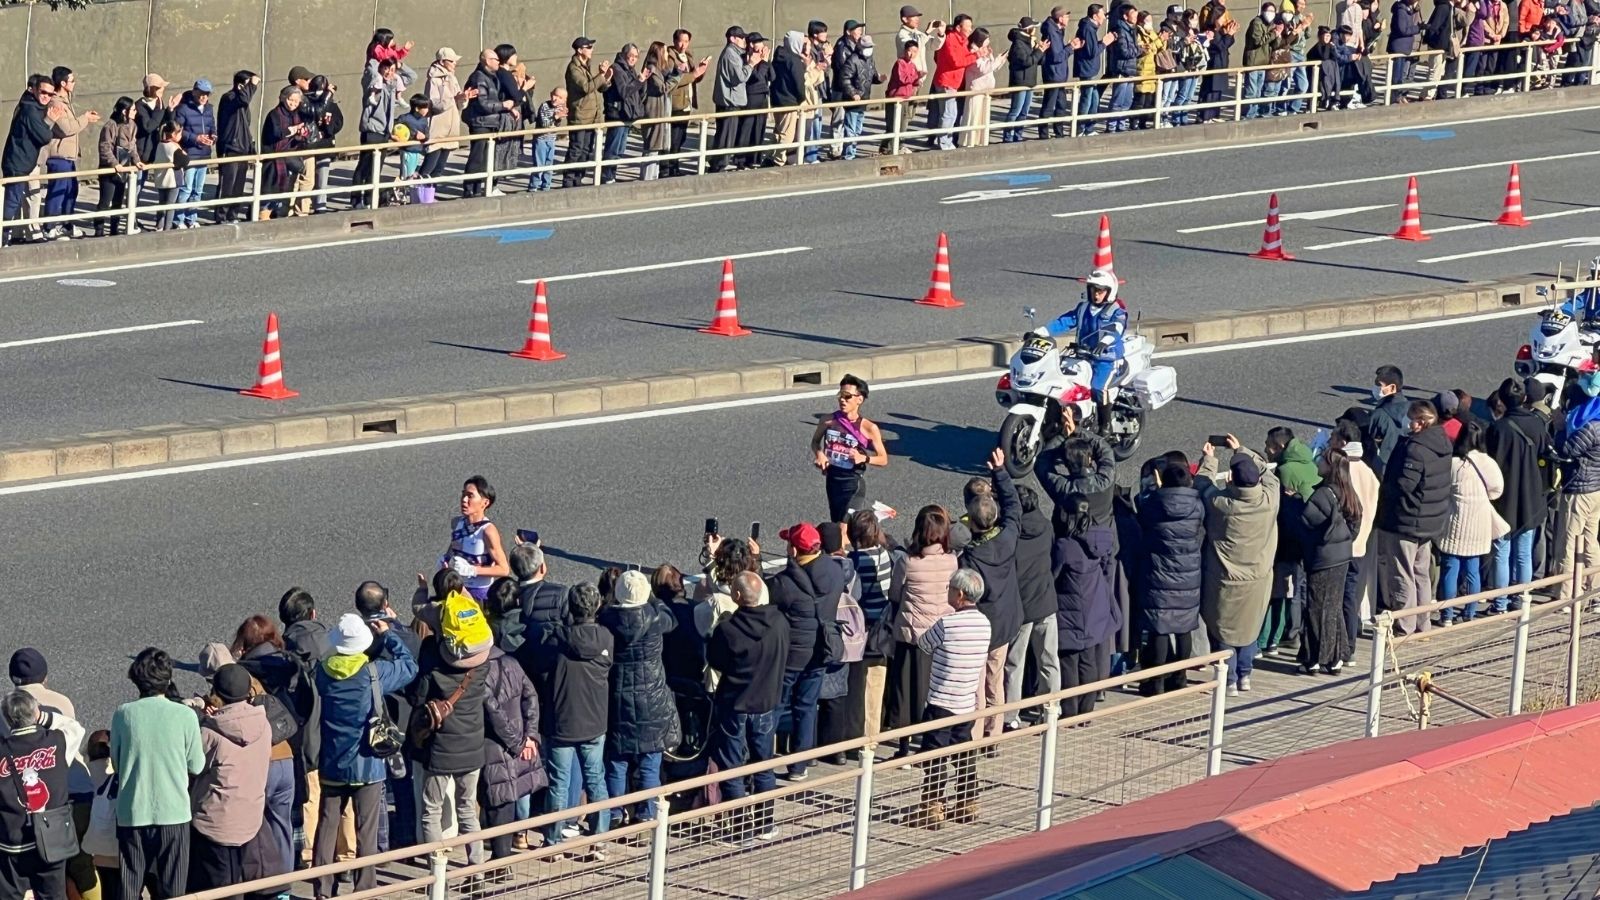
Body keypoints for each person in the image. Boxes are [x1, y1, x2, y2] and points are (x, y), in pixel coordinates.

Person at [311, 614, 416, 898]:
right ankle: (364, 889)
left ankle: (322, 889)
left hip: (333, 761)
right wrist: (389, 635)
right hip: (368, 763)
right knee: (366, 830)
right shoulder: (374, 673)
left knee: (327, 826)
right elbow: (409, 666)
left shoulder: (322, 672)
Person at [111, 648, 203, 900]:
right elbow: (196, 765)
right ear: (168, 678)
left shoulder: (123, 714)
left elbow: (117, 764)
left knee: (129, 888)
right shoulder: (185, 715)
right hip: (174, 813)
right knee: (174, 890)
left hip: (133, 811)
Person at [409, 586, 491, 869]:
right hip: (472, 745)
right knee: (467, 808)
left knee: (431, 810)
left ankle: (437, 874)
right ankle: (477, 870)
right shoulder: (482, 662)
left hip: (441, 747)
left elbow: (418, 696)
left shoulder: (432, 656)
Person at [904, 569, 990, 830]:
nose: (948, 592)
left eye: (950, 589)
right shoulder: (985, 624)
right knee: (964, 753)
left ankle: (932, 807)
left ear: (960, 594)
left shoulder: (947, 623)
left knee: (935, 755)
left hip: (941, 702)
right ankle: (967, 803)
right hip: (966, 702)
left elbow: (924, 644)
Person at [706, 572, 787, 844]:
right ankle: (766, 823)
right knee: (764, 763)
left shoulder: (728, 629)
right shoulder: (779, 622)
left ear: (737, 596)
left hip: (735, 704)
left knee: (733, 766)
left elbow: (716, 660)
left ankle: (741, 829)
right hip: (766, 703)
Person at [1197, 438, 1280, 694]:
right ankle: (1245, 674)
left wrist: (1209, 460)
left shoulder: (1220, 503)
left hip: (1225, 578)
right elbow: (1270, 476)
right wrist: (1241, 451)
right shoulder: (1269, 500)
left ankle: (1229, 678)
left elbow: (1202, 484)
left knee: (1224, 629)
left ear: (1231, 479)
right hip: (1258, 578)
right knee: (1250, 626)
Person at [766, 522, 847, 781]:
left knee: (776, 706)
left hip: (791, 653)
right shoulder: (834, 572)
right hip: (822, 646)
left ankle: (762, 763)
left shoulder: (787, 582)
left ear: (793, 549)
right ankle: (799, 765)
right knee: (807, 706)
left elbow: (762, 594)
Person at [598, 570, 678, 825]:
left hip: (618, 697)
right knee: (649, 763)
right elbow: (671, 618)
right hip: (652, 698)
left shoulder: (606, 619)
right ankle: (647, 815)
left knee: (617, 761)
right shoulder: (655, 619)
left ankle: (614, 813)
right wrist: (653, 599)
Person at [540, 583, 612, 858]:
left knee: (558, 783)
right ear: (597, 607)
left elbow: (543, 667)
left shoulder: (557, 639)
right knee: (595, 779)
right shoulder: (606, 638)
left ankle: (553, 843)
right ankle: (600, 840)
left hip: (562, 720)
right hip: (594, 720)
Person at [959, 449, 1025, 740]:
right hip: (1005, 622)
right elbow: (1014, 507)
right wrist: (1001, 472)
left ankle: (973, 738)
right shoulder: (1008, 537)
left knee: (975, 686)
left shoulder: (970, 556)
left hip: (981, 627)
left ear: (971, 522)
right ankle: (993, 735)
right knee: (995, 680)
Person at [188, 665, 271, 894]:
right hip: (250, 818)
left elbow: (192, 767)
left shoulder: (210, 733)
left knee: (212, 887)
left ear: (216, 692)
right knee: (236, 882)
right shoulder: (263, 724)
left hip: (213, 823)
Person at [1372, 401, 1453, 636]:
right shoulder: (1442, 444)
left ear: (1420, 422)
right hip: (1429, 520)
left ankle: (1404, 625)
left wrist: (1384, 490)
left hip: (1405, 519)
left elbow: (1404, 485)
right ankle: (1422, 623)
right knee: (1421, 573)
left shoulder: (1415, 449)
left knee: (1402, 573)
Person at [886, 505, 960, 758]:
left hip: (911, 635)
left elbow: (894, 593)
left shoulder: (908, 562)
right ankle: (929, 744)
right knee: (934, 690)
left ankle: (904, 748)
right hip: (939, 635)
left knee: (905, 692)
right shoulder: (951, 560)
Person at [1136, 461, 1205, 695]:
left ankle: (1156, 682)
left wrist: (1155, 489)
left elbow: (1142, 511)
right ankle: (1179, 677)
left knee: (1160, 628)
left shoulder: (1154, 504)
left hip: (1159, 573)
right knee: (1184, 628)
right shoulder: (1197, 506)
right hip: (1188, 574)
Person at [1051, 492, 1118, 716]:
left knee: (1069, 662)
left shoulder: (1065, 546)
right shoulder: (1102, 537)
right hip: (1095, 604)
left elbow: (1053, 576)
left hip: (1069, 609)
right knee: (1089, 660)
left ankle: (1070, 712)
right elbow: (1108, 567)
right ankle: (1086, 712)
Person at [0, 692, 72, 900]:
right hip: (51, 838)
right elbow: (74, 728)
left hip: (12, 840)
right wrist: (42, 717)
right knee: (54, 895)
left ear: (7, 718)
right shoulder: (58, 740)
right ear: (35, 711)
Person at [1487, 379, 1549, 613]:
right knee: (1523, 553)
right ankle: (1522, 600)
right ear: (1524, 398)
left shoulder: (1497, 429)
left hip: (1504, 498)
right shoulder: (1537, 424)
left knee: (1501, 552)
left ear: (1502, 400)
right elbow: (1544, 453)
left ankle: (1500, 604)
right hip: (1531, 495)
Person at [1041, 270, 1129, 432]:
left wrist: (1105, 342)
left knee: (1097, 388)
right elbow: (1066, 321)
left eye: (1100, 291)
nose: (1096, 294)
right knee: (1059, 381)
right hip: (1083, 355)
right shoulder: (1083, 308)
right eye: (1093, 290)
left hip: (1107, 359)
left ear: (1110, 292)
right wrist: (1043, 331)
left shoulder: (1116, 311)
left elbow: (1117, 327)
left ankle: (1105, 426)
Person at [1297, 450, 1359, 672]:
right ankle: (1336, 656)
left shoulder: (1323, 494)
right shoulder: (1348, 492)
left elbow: (1306, 524)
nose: (1318, 462)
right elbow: (1356, 522)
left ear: (1330, 466)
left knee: (1316, 607)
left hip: (1322, 558)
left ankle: (1314, 658)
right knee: (1334, 606)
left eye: (1322, 459)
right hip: (1342, 557)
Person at [1004, 483, 1061, 723]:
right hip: (1046, 601)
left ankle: (1010, 716)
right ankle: (1051, 710)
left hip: (1022, 607)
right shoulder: (1046, 527)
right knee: (1049, 660)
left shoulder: (1012, 534)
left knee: (1014, 664)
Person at [1438, 421, 1504, 625]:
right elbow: (1497, 490)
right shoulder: (1489, 463)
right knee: (1473, 570)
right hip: (1478, 523)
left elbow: (1443, 489)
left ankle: (1447, 615)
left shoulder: (1453, 464)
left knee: (1450, 568)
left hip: (1454, 522)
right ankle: (1470, 613)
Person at [811, 375, 889, 523]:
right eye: (840, 395)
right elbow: (815, 442)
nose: (842, 400)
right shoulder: (827, 420)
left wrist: (864, 458)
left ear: (859, 399)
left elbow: (883, 459)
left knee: (845, 526)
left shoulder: (869, 427)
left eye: (847, 396)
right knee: (836, 523)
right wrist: (819, 454)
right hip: (832, 480)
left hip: (852, 482)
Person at [2, 76, 63, 247]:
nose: (46, 97)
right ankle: (3, 236)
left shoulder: (31, 106)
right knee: (12, 201)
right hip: (18, 162)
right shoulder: (30, 110)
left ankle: (10, 234)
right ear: (34, 90)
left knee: (20, 199)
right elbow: (44, 136)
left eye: (50, 94)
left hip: (23, 161)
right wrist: (50, 121)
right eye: (43, 92)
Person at [41, 67, 100, 240]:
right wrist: (85, 118)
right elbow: (67, 128)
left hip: (69, 156)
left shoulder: (66, 101)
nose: (74, 83)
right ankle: (49, 227)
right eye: (72, 80)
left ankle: (66, 225)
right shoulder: (56, 103)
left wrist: (84, 118)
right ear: (63, 83)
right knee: (58, 191)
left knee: (71, 191)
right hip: (58, 156)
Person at [1556, 379, 1600, 607]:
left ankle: (1565, 595)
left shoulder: (1590, 427)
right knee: (1591, 542)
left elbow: (1567, 450)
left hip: (1579, 489)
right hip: (1596, 489)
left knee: (1569, 542)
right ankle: (1594, 591)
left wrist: (1560, 429)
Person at [442, 476, 509, 602]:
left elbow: (504, 569)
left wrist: (472, 570)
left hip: (478, 593)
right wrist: (445, 560)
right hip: (454, 588)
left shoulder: (488, 531)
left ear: (485, 503)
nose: (464, 500)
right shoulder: (457, 523)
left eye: (470, 496)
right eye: (463, 494)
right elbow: (454, 548)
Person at [563, 38, 613, 188]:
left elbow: (597, 88)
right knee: (576, 149)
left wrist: (606, 78)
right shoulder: (574, 68)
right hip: (580, 117)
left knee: (586, 150)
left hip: (592, 117)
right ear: (579, 50)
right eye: (588, 47)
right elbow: (586, 87)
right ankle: (568, 180)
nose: (592, 49)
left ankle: (578, 179)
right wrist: (600, 75)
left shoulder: (586, 66)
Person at [258, 87, 308, 220]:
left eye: (296, 101)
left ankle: (278, 216)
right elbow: (276, 133)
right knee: (268, 194)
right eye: (291, 100)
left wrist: (300, 135)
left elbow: (299, 138)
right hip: (273, 160)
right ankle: (263, 217)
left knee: (283, 195)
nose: (293, 104)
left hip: (289, 160)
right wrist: (293, 130)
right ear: (283, 98)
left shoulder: (297, 115)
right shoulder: (274, 114)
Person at [214, 71, 258, 222]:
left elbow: (245, 123)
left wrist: (250, 143)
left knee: (239, 185)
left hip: (242, 147)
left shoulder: (243, 103)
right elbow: (243, 99)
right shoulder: (229, 98)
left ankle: (233, 214)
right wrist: (252, 85)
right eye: (247, 85)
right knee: (228, 184)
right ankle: (221, 215)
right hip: (230, 147)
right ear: (240, 86)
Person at [171, 80, 215, 229]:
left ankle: (191, 218)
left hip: (204, 153)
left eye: (207, 94)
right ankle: (178, 220)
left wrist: (213, 137)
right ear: (195, 91)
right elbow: (178, 130)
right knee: (186, 189)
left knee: (198, 190)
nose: (204, 97)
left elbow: (212, 126)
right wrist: (195, 138)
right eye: (201, 93)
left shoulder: (209, 109)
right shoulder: (183, 109)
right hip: (190, 153)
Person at [932, 15, 978, 149]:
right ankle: (944, 143)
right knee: (948, 114)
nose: (970, 29)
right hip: (947, 81)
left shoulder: (962, 40)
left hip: (952, 81)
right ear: (958, 27)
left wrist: (975, 53)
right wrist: (976, 55)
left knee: (950, 113)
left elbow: (963, 56)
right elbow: (956, 61)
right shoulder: (951, 39)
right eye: (968, 26)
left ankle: (946, 141)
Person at [711, 26, 753, 171]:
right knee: (726, 138)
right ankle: (719, 166)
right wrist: (751, 64)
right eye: (741, 37)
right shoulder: (731, 54)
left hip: (729, 101)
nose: (744, 40)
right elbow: (739, 77)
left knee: (724, 136)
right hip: (729, 103)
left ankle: (717, 164)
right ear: (732, 38)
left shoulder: (735, 53)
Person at [1073, 5, 1116, 135]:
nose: (1104, 18)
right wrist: (1104, 43)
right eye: (1102, 15)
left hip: (1090, 69)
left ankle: (1089, 128)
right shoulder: (1087, 28)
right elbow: (1092, 52)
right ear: (1095, 16)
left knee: (1094, 98)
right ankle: (1080, 128)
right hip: (1086, 69)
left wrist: (1101, 43)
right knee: (1087, 99)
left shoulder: (1090, 28)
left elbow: (1091, 48)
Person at [1368, 364, 1410, 475]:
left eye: (1379, 385)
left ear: (1392, 388)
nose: (1375, 388)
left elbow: (1368, 439)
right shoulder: (1411, 409)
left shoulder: (1380, 414)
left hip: (1382, 465)